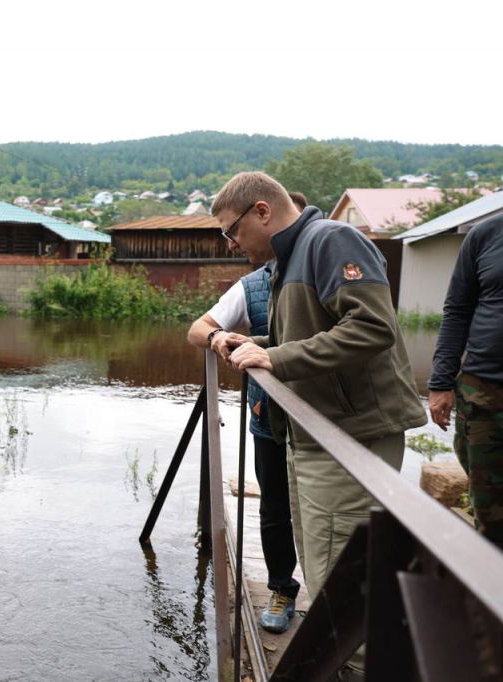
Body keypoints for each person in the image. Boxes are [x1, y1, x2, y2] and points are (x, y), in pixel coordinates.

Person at [212, 171, 427, 679]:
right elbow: (314, 332)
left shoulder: (330, 240)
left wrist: (277, 357)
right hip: (315, 430)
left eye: (232, 230)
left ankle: (352, 667)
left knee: (338, 576)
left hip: (348, 433)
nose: (231, 243)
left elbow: (371, 327)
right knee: (322, 566)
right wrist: (258, 346)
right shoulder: (292, 255)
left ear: (261, 211)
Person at [185, 191, 308, 634]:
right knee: (274, 505)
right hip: (267, 413)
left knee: (317, 507)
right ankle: (281, 588)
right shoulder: (252, 283)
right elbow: (198, 328)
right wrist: (219, 339)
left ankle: (334, 594)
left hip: (322, 414)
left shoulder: (319, 270)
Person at [428, 213, 503, 550]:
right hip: (483, 391)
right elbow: (457, 309)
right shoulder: (486, 234)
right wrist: (440, 383)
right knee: (490, 511)